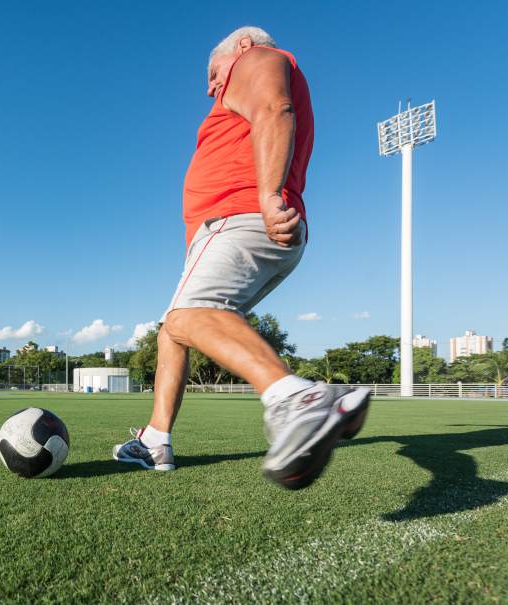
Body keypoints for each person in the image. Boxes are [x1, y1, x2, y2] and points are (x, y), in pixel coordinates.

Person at [113, 27, 370, 490]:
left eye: (213, 74)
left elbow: (276, 109)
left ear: (242, 48)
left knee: (187, 316)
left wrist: (269, 196)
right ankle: (156, 439)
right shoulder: (243, 80)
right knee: (175, 329)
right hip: (233, 225)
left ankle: (296, 398)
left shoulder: (257, 59)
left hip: (241, 215)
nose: (211, 87)